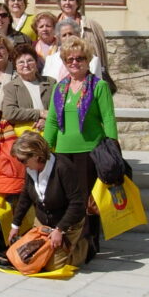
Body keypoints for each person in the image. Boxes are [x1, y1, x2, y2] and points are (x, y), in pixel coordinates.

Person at [44, 36, 119, 208]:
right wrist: (46, 148)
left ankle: (89, 235)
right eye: (70, 59)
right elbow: (53, 121)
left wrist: (113, 146)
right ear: (64, 62)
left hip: (89, 152)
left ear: (88, 60)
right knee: (66, 200)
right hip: (63, 152)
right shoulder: (59, 87)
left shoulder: (99, 86)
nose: (75, 62)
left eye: (80, 58)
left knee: (88, 202)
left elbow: (108, 117)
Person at [7, 132, 88, 271]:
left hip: (67, 223)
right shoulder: (31, 169)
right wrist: (15, 224)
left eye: (23, 161)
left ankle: (83, 247)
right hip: (43, 222)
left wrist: (59, 229)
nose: (22, 165)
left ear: (36, 156)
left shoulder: (63, 167)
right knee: (28, 258)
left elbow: (77, 203)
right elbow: (25, 197)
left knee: (52, 266)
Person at [56, 0, 111, 84]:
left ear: (77, 3)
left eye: (71, 0)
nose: (67, 3)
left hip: (88, 74)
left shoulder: (91, 26)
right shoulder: (53, 25)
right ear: (60, 3)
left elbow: (101, 55)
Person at [2, 44, 54, 131]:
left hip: (50, 131)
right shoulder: (10, 87)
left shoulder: (51, 82)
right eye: (21, 62)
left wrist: (47, 120)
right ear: (16, 66)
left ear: (36, 63)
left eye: (30, 61)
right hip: (25, 136)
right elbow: (9, 113)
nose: (26, 65)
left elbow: (59, 108)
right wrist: (40, 113)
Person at [44, 17, 103, 82]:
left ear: (78, 35)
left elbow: (96, 84)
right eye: (64, 35)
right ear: (59, 38)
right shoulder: (50, 60)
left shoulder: (93, 60)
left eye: (70, 34)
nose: (68, 37)